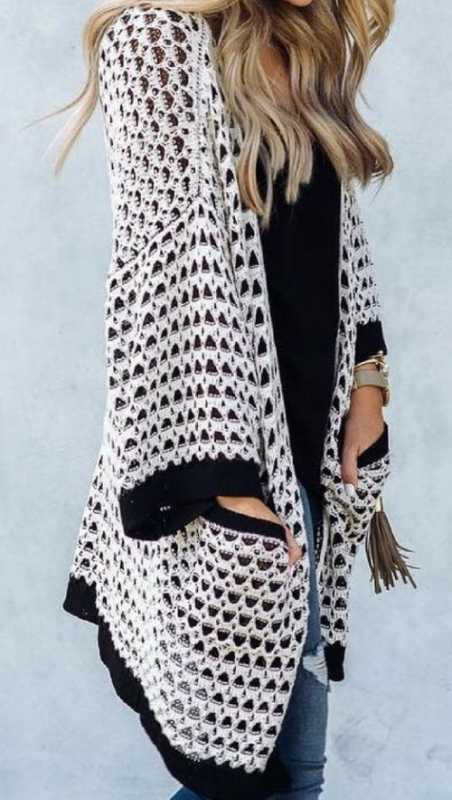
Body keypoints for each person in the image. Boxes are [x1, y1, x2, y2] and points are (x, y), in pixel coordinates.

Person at [47, 1, 414, 798]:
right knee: (258, 780)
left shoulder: (297, 43)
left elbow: (337, 235)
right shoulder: (154, 42)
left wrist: (369, 379)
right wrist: (227, 483)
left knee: (286, 775)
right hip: (225, 467)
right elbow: (159, 270)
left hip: (310, 453)